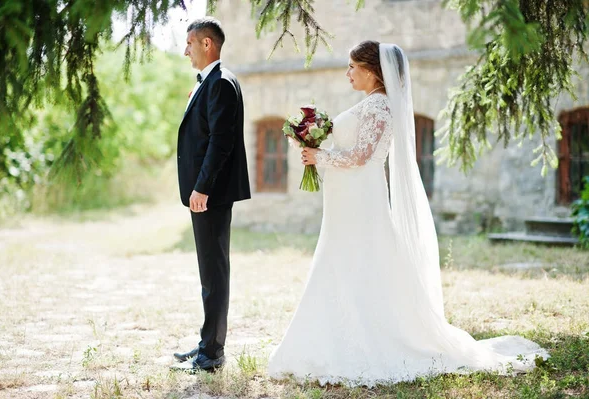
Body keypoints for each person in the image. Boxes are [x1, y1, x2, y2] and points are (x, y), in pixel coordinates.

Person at [268, 41, 548, 386]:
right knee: (340, 258)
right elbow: (351, 152)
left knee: (360, 258)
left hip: (361, 198)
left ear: (371, 71)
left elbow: (361, 156)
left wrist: (319, 158)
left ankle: (370, 338)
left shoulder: (381, 107)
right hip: (345, 197)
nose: (347, 73)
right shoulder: (369, 104)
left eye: (353, 67)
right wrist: (314, 146)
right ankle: (327, 334)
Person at [173, 17, 250, 372]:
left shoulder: (220, 83)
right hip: (204, 193)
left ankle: (212, 353)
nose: (185, 50)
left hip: (211, 195)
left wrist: (201, 187)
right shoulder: (212, 82)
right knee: (209, 272)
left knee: (214, 273)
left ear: (207, 44)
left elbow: (220, 142)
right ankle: (207, 341)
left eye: (190, 43)